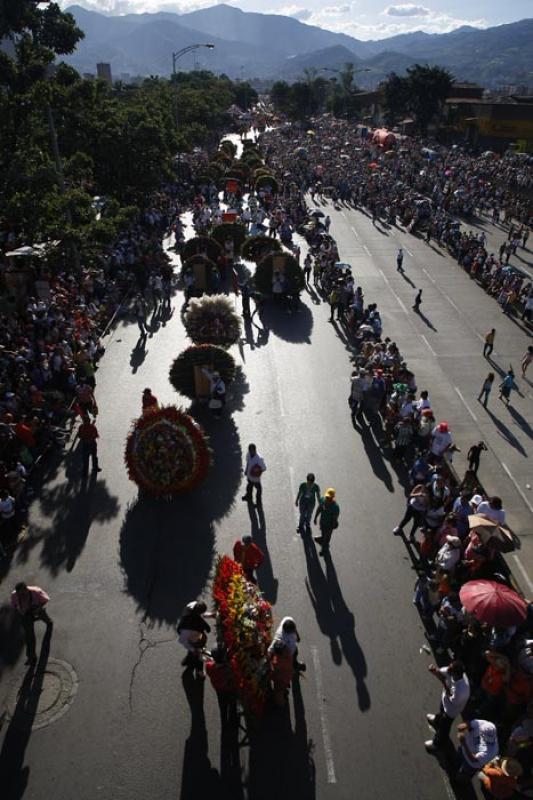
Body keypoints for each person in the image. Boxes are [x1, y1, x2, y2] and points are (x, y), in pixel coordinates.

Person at [425, 660, 470, 752]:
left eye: (451, 669)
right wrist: (435, 671)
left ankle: (437, 743)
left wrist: (443, 681)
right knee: (441, 711)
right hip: (445, 701)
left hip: (451, 710)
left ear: (456, 674)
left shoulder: (461, 691)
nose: (448, 669)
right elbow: (441, 673)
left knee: (444, 727)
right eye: (449, 666)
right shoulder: (451, 671)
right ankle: (436, 721)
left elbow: (451, 698)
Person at [11, 581, 53, 664]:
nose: (22, 595)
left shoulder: (36, 592)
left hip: (35, 609)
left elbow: (46, 599)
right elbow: (14, 605)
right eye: (20, 594)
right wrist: (19, 611)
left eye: (24, 593)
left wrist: (39, 607)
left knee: (45, 618)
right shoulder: (14, 595)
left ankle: (49, 622)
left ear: (27, 589)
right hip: (25, 614)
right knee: (29, 636)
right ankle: (31, 656)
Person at [177, 601, 212, 677]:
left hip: (193, 638)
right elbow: (183, 641)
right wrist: (194, 650)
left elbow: (201, 617)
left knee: (193, 652)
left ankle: (187, 660)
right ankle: (200, 671)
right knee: (199, 656)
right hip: (193, 641)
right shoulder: (188, 630)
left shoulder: (191, 607)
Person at [313, 488, 340, 556]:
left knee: (327, 537)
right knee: (323, 532)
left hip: (329, 525)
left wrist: (331, 528)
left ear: (332, 498)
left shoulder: (335, 507)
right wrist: (315, 517)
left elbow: (335, 519)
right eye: (327, 497)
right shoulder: (323, 500)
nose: (327, 499)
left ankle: (324, 549)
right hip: (322, 522)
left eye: (329, 498)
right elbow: (319, 508)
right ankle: (322, 538)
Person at [76, 414, 101, 478]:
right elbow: (79, 435)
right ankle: (86, 472)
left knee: (93, 457)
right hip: (87, 444)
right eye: (86, 421)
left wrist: (90, 438)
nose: (87, 422)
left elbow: (96, 435)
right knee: (86, 459)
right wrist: (86, 439)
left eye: (87, 421)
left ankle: (95, 467)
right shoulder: (83, 427)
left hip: (91, 443)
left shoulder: (91, 427)